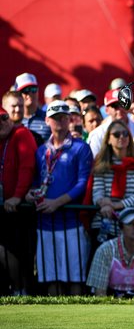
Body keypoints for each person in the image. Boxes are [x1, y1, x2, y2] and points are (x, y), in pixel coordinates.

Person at [25, 100, 93, 295]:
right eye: (55, 118)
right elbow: (37, 182)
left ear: (70, 119)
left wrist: (57, 203)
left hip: (72, 222)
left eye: (64, 117)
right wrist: (30, 194)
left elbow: (82, 183)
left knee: (75, 278)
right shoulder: (41, 151)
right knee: (51, 279)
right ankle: (55, 323)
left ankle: (78, 322)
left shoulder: (80, 148)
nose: (60, 122)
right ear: (47, 120)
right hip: (45, 222)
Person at [87, 120, 134, 248]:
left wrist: (116, 206)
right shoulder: (102, 166)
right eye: (116, 134)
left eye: (125, 134)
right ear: (109, 140)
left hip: (131, 223)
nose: (122, 137)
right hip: (104, 221)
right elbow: (97, 192)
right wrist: (103, 203)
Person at [0, 106, 37, 294]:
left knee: (18, 251)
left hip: (19, 209)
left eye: (4, 117)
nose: (2, 122)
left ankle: (21, 290)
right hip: (5, 208)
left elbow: (27, 168)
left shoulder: (21, 134)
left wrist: (17, 196)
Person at [87, 207, 134, 297]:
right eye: (130, 223)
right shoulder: (104, 250)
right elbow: (100, 293)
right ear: (121, 228)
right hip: (110, 301)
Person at [88, 89, 134, 156]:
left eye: (123, 104)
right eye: (115, 106)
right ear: (107, 110)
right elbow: (96, 163)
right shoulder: (97, 135)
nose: (120, 109)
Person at [14, 72, 51, 143]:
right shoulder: (9, 121)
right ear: (17, 94)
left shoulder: (49, 118)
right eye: (25, 90)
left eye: (33, 89)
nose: (30, 94)